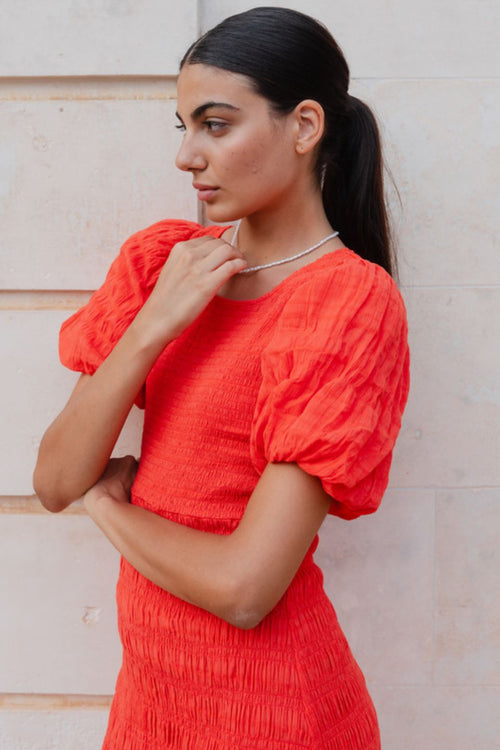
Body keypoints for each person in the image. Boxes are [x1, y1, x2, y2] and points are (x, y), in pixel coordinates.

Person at [33, 7, 410, 749]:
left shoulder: (347, 300)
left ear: (304, 128)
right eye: (183, 127)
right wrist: (151, 327)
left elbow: (245, 589)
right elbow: (53, 481)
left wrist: (111, 509)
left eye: (215, 124)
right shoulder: (164, 264)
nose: (186, 158)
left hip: (276, 714)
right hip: (151, 707)